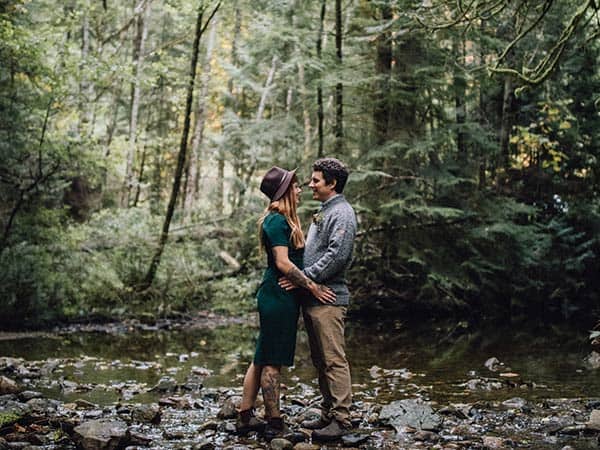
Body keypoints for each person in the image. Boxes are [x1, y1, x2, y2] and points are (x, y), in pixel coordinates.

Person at [236, 166, 336, 440]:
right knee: (272, 362)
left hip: (278, 295)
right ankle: (274, 422)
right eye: (295, 185)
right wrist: (312, 285)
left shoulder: (282, 219)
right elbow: (282, 262)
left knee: (261, 356)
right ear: (284, 191)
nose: (300, 189)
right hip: (278, 297)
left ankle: (245, 417)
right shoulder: (277, 221)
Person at [280, 157, 357, 441]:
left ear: (332, 183)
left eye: (316, 180)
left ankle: (342, 418)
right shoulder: (325, 210)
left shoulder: (343, 213)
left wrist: (304, 276)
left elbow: (338, 255)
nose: (310, 185)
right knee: (320, 358)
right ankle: (328, 412)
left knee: (334, 359)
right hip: (314, 296)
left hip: (329, 297)